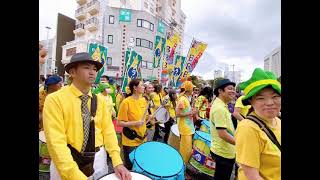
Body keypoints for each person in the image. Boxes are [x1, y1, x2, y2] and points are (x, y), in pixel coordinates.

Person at [43, 52, 131, 180]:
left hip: (98, 160)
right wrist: (74, 175)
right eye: (86, 68)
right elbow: (56, 142)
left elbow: (108, 132)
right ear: (72, 72)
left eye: (95, 69)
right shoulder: (55, 99)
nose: (92, 72)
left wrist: (117, 161)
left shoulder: (99, 100)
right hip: (66, 162)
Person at [235, 68, 281, 180]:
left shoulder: (278, 121)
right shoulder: (248, 129)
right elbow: (252, 176)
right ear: (251, 102)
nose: (270, 103)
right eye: (261, 98)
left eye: (275, 96)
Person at [117, 79, 149, 170]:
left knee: (141, 164)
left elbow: (145, 118)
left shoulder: (144, 100)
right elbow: (119, 123)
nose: (144, 87)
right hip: (130, 140)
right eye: (142, 85)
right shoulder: (126, 102)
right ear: (135, 88)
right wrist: (136, 123)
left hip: (143, 138)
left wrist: (151, 118)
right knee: (130, 166)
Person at [210, 78, 236, 180]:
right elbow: (222, 134)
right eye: (230, 88)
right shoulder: (219, 108)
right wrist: (240, 144)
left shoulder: (221, 105)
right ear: (220, 91)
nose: (233, 91)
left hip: (224, 150)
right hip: (223, 152)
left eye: (234, 89)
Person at [176, 81, 197, 179]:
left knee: (187, 150)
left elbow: (184, 112)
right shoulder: (182, 99)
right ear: (189, 89)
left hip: (188, 128)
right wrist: (189, 114)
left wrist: (191, 112)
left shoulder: (186, 99)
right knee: (186, 151)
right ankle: (181, 172)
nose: (194, 90)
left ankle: (182, 170)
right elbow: (177, 113)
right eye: (192, 88)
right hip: (185, 129)